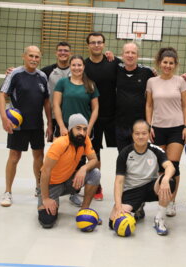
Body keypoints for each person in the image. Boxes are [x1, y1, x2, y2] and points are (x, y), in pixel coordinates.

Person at [0, 45, 52, 207]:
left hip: (36, 124)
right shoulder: (15, 74)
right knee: (14, 157)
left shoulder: (42, 76)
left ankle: (39, 187)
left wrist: (49, 123)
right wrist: (3, 118)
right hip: (18, 125)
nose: (34, 59)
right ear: (24, 56)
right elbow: (2, 95)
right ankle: (8, 192)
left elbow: (47, 101)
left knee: (39, 157)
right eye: (31, 56)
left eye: (37, 56)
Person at [109, 120, 176, 236]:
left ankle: (159, 219)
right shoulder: (125, 153)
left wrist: (165, 179)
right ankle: (138, 207)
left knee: (169, 181)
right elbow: (119, 182)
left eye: (144, 133)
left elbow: (170, 166)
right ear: (132, 134)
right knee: (113, 223)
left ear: (149, 134)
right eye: (137, 133)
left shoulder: (156, 150)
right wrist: (119, 206)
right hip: (132, 190)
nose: (140, 136)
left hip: (151, 187)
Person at [146, 47, 186, 217]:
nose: (168, 65)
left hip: (177, 128)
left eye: (171, 63)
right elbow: (149, 105)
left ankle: (171, 202)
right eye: (165, 62)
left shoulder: (181, 82)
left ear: (175, 64)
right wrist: (149, 126)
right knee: (161, 168)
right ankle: (162, 198)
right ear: (159, 63)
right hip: (158, 128)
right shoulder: (152, 82)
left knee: (174, 166)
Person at [38, 114, 101, 228]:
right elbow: (45, 172)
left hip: (68, 181)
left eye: (84, 129)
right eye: (78, 128)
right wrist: (46, 198)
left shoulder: (85, 139)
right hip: (50, 185)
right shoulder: (60, 143)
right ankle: (49, 199)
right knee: (47, 221)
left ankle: (84, 211)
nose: (82, 133)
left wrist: (83, 168)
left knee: (95, 173)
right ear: (70, 129)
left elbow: (94, 160)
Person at [53, 55, 99, 206]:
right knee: (60, 160)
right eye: (74, 65)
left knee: (80, 162)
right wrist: (61, 126)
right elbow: (56, 105)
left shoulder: (90, 85)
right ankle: (55, 190)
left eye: (79, 65)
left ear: (83, 67)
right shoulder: (62, 83)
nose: (77, 68)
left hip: (82, 131)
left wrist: (89, 128)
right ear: (70, 66)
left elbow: (95, 108)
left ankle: (74, 192)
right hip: (65, 128)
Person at [84, 32, 121, 201]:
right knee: (94, 154)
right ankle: (96, 185)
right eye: (93, 43)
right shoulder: (83, 66)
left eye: (99, 42)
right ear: (88, 45)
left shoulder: (113, 62)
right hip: (93, 117)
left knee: (124, 151)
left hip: (114, 115)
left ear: (104, 45)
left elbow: (131, 66)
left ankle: (125, 184)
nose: (96, 45)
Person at [115, 42, 155, 152]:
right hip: (121, 124)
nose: (130, 55)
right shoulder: (116, 70)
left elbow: (162, 81)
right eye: (127, 52)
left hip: (139, 125)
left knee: (138, 156)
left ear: (138, 56)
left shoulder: (147, 72)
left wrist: (180, 79)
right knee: (123, 156)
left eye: (133, 53)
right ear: (122, 55)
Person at [41, 42, 72, 139]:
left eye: (66, 50)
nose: (63, 53)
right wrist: (12, 70)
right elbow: (30, 73)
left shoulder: (77, 69)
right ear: (56, 53)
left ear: (70, 53)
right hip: (54, 117)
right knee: (58, 150)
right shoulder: (46, 71)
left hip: (73, 116)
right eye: (60, 50)